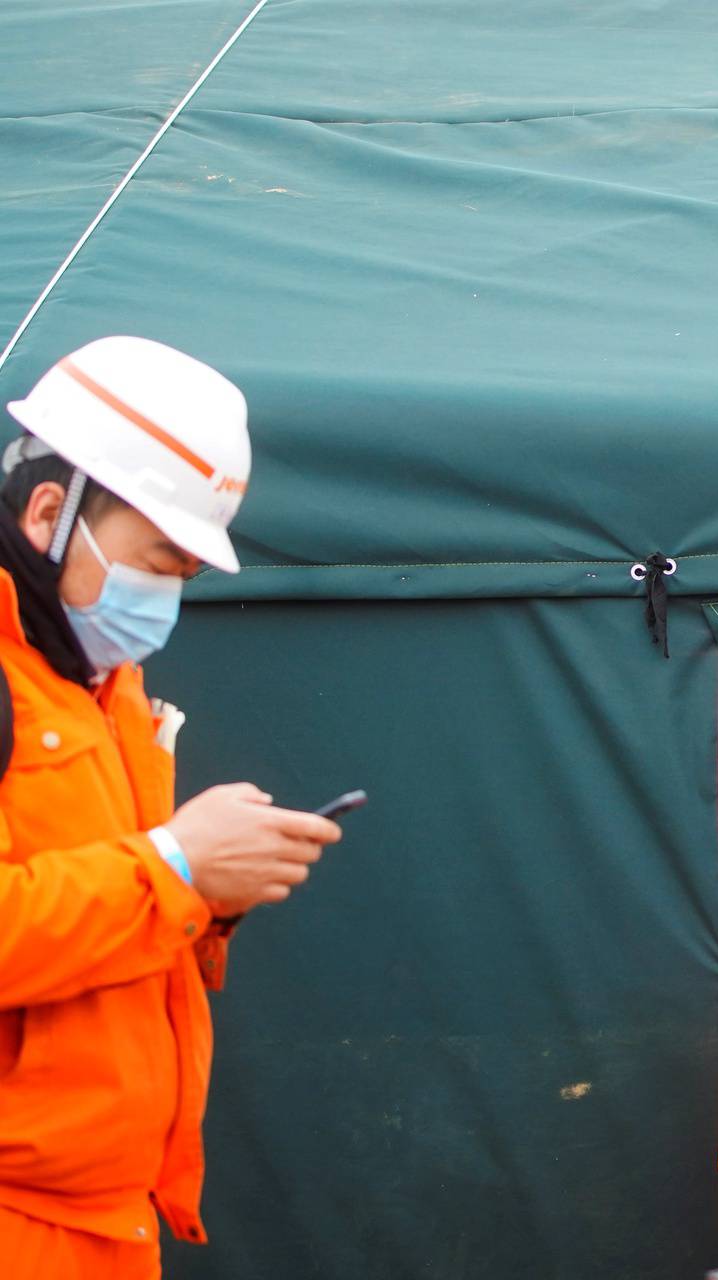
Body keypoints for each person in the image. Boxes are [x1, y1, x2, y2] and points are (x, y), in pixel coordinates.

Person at [0, 337, 341, 1276]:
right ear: (46, 512)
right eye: (159, 560)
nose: (165, 599)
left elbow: (92, 917)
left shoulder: (99, 686)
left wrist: (208, 896)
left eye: (188, 574)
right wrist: (176, 865)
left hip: (109, 1215)